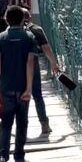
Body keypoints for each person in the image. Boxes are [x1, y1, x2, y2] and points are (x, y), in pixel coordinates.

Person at [0, 5, 37, 162]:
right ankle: (19, 159)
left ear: (6, 19)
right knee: (22, 123)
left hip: (6, 87)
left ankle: (2, 158)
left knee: (5, 123)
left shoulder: (0, 38)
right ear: (23, 19)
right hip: (23, 88)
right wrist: (28, 88)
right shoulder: (29, 37)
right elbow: (30, 63)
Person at [21, 8, 60, 140]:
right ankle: (44, 124)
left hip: (17, 65)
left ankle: (22, 127)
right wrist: (54, 63)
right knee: (37, 95)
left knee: (21, 96)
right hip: (34, 63)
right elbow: (46, 48)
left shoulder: (14, 29)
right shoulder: (36, 29)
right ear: (30, 17)